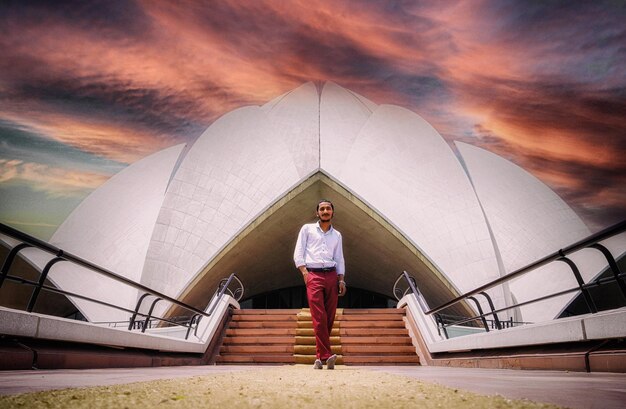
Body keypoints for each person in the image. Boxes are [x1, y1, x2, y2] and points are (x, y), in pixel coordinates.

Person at [293, 199, 346, 370]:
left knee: (329, 316)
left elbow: (339, 258)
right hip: (313, 275)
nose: (325, 211)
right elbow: (299, 251)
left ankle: (319, 358)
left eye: (328, 209)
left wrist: (341, 279)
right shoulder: (307, 229)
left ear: (332, 212)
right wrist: (304, 273)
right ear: (317, 213)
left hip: (331, 274)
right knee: (319, 315)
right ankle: (326, 354)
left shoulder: (337, 235)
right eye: (322, 209)